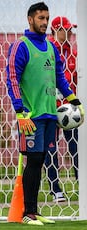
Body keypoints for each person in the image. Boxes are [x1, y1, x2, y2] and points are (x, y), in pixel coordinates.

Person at [6, 2, 84, 225]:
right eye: (40, 18)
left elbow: (60, 76)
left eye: (46, 18)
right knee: (34, 160)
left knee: (41, 160)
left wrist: (72, 99)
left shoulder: (51, 47)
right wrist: (20, 111)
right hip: (31, 116)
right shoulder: (21, 46)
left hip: (51, 115)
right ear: (30, 19)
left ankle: (35, 211)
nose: (44, 22)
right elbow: (12, 78)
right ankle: (27, 213)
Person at [44, 16, 78, 202]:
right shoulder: (48, 50)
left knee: (76, 147)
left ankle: (82, 183)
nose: (70, 33)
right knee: (51, 149)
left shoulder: (72, 54)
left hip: (69, 109)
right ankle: (55, 188)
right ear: (56, 30)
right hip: (50, 107)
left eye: (71, 30)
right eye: (67, 29)